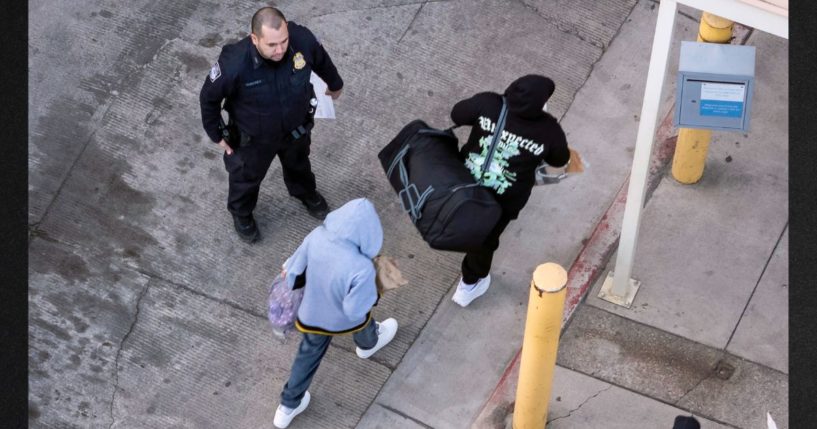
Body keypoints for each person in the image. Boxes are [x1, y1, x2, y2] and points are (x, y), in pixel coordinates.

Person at [200, 7, 344, 243]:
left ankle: (305, 193)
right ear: (254, 38)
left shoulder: (301, 40)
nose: (280, 50)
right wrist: (216, 134)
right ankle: (242, 214)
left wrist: (335, 83)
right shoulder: (234, 63)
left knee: (299, 164)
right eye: (272, 45)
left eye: (284, 41)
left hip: (295, 127)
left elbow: (321, 59)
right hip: (254, 139)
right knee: (245, 178)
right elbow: (209, 98)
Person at [273, 198, 398, 428]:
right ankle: (368, 344)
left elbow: (294, 270)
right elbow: (355, 310)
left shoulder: (317, 236)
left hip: (310, 312)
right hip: (340, 318)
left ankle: (288, 405)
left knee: (308, 355)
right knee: (363, 322)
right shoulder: (361, 267)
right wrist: (374, 291)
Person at [449, 74, 572, 307]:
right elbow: (560, 160)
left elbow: (457, 114)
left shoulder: (488, 103)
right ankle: (470, 283)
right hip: (503, 199)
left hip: (464, 181)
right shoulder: (549, 129)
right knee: (485, 240)